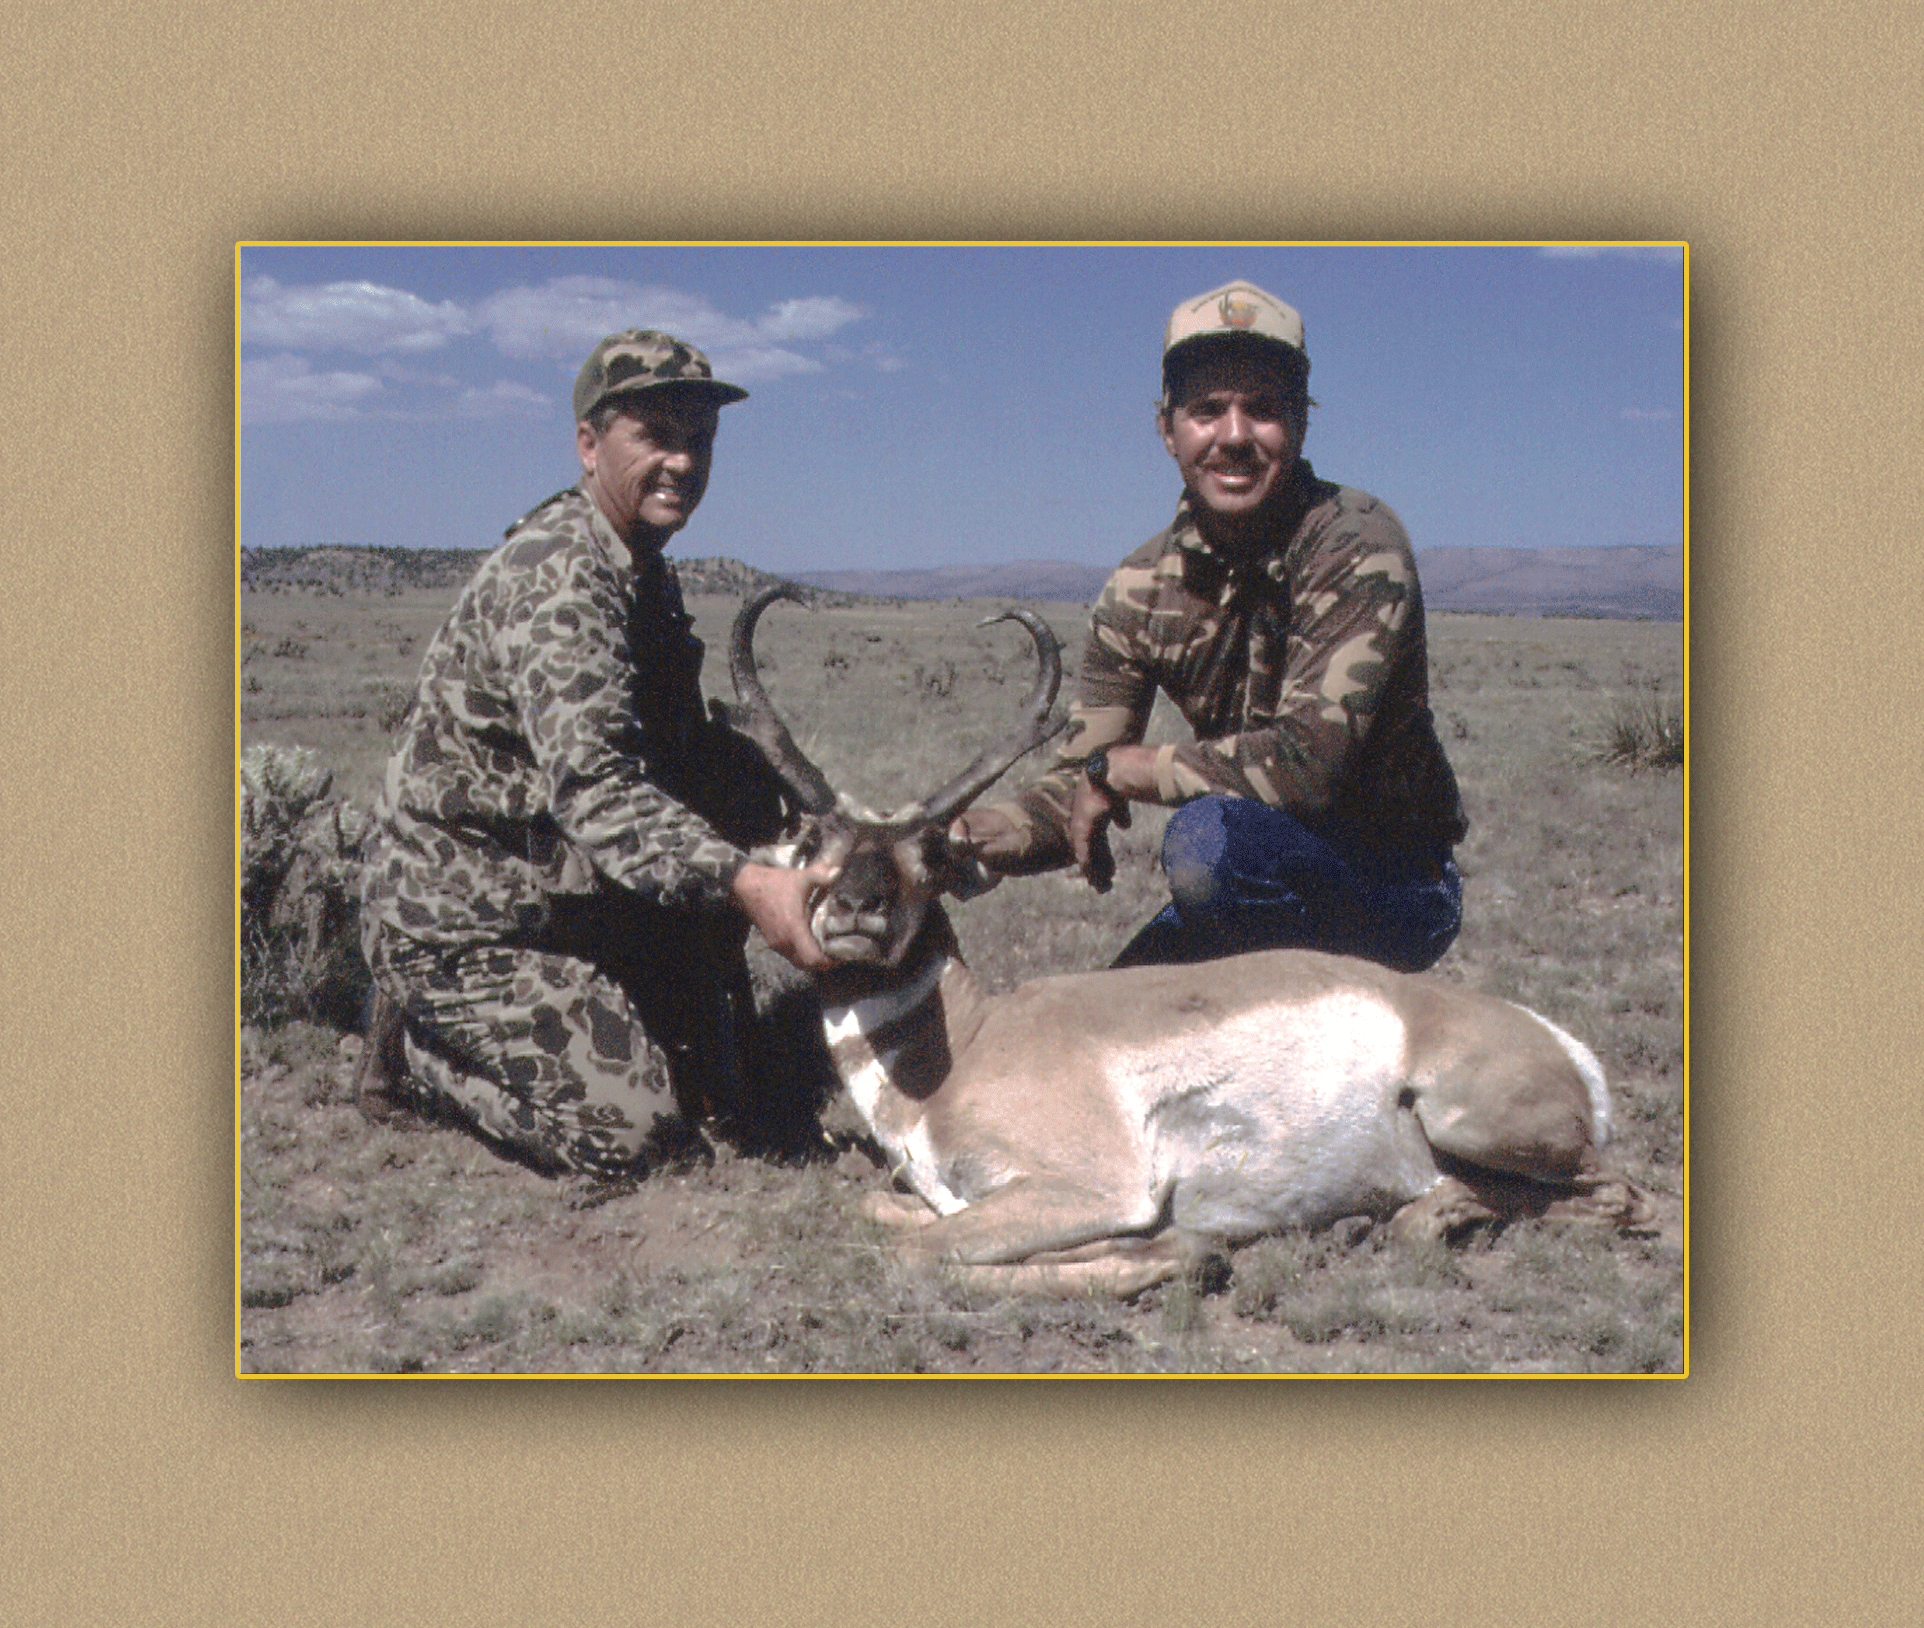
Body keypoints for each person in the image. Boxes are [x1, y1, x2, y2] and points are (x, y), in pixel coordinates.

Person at [357, 329, 837, 1177]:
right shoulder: (562, 579)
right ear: (589, 444)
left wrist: (796, 818)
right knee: (635, 1135)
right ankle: (417, 1053)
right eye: (656, 436)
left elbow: (671, 751)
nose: (682, 462)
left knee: (714, 1085)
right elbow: (600, 792)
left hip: (565, 899)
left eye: (699, 440)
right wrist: (747, 881)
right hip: (462, 925)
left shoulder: (639, 569)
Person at [951, 280, 1468, 973]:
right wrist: (976, 834)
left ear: (1300, 425)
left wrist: (1125, 769)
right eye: (1207, 410)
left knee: (1206, 844)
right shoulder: (1139, 588)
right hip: (1252, 867)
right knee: (1115, 1012)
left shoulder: (1355, 541)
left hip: (1394, 883)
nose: (1235, 437)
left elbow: (1307, 766)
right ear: (1167, 430)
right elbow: (1078, 782)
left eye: (1263, 410)